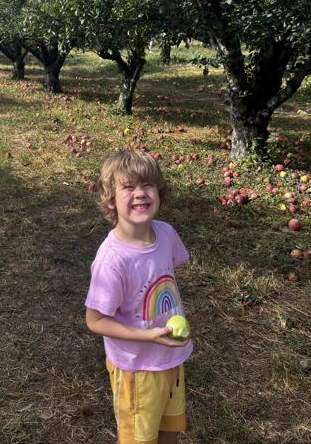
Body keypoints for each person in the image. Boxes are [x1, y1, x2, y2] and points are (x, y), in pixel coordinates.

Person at [85, 149, 192, 444]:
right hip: (137, 368)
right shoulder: (113, 260)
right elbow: (95, 321)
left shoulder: (166, 234)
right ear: (110, 200)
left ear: (159, 191)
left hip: (171, 357)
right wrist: (148, 336)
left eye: (147, 185)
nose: (140, 194)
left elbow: (163, 276)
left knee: (169, 429)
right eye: (128, 187)